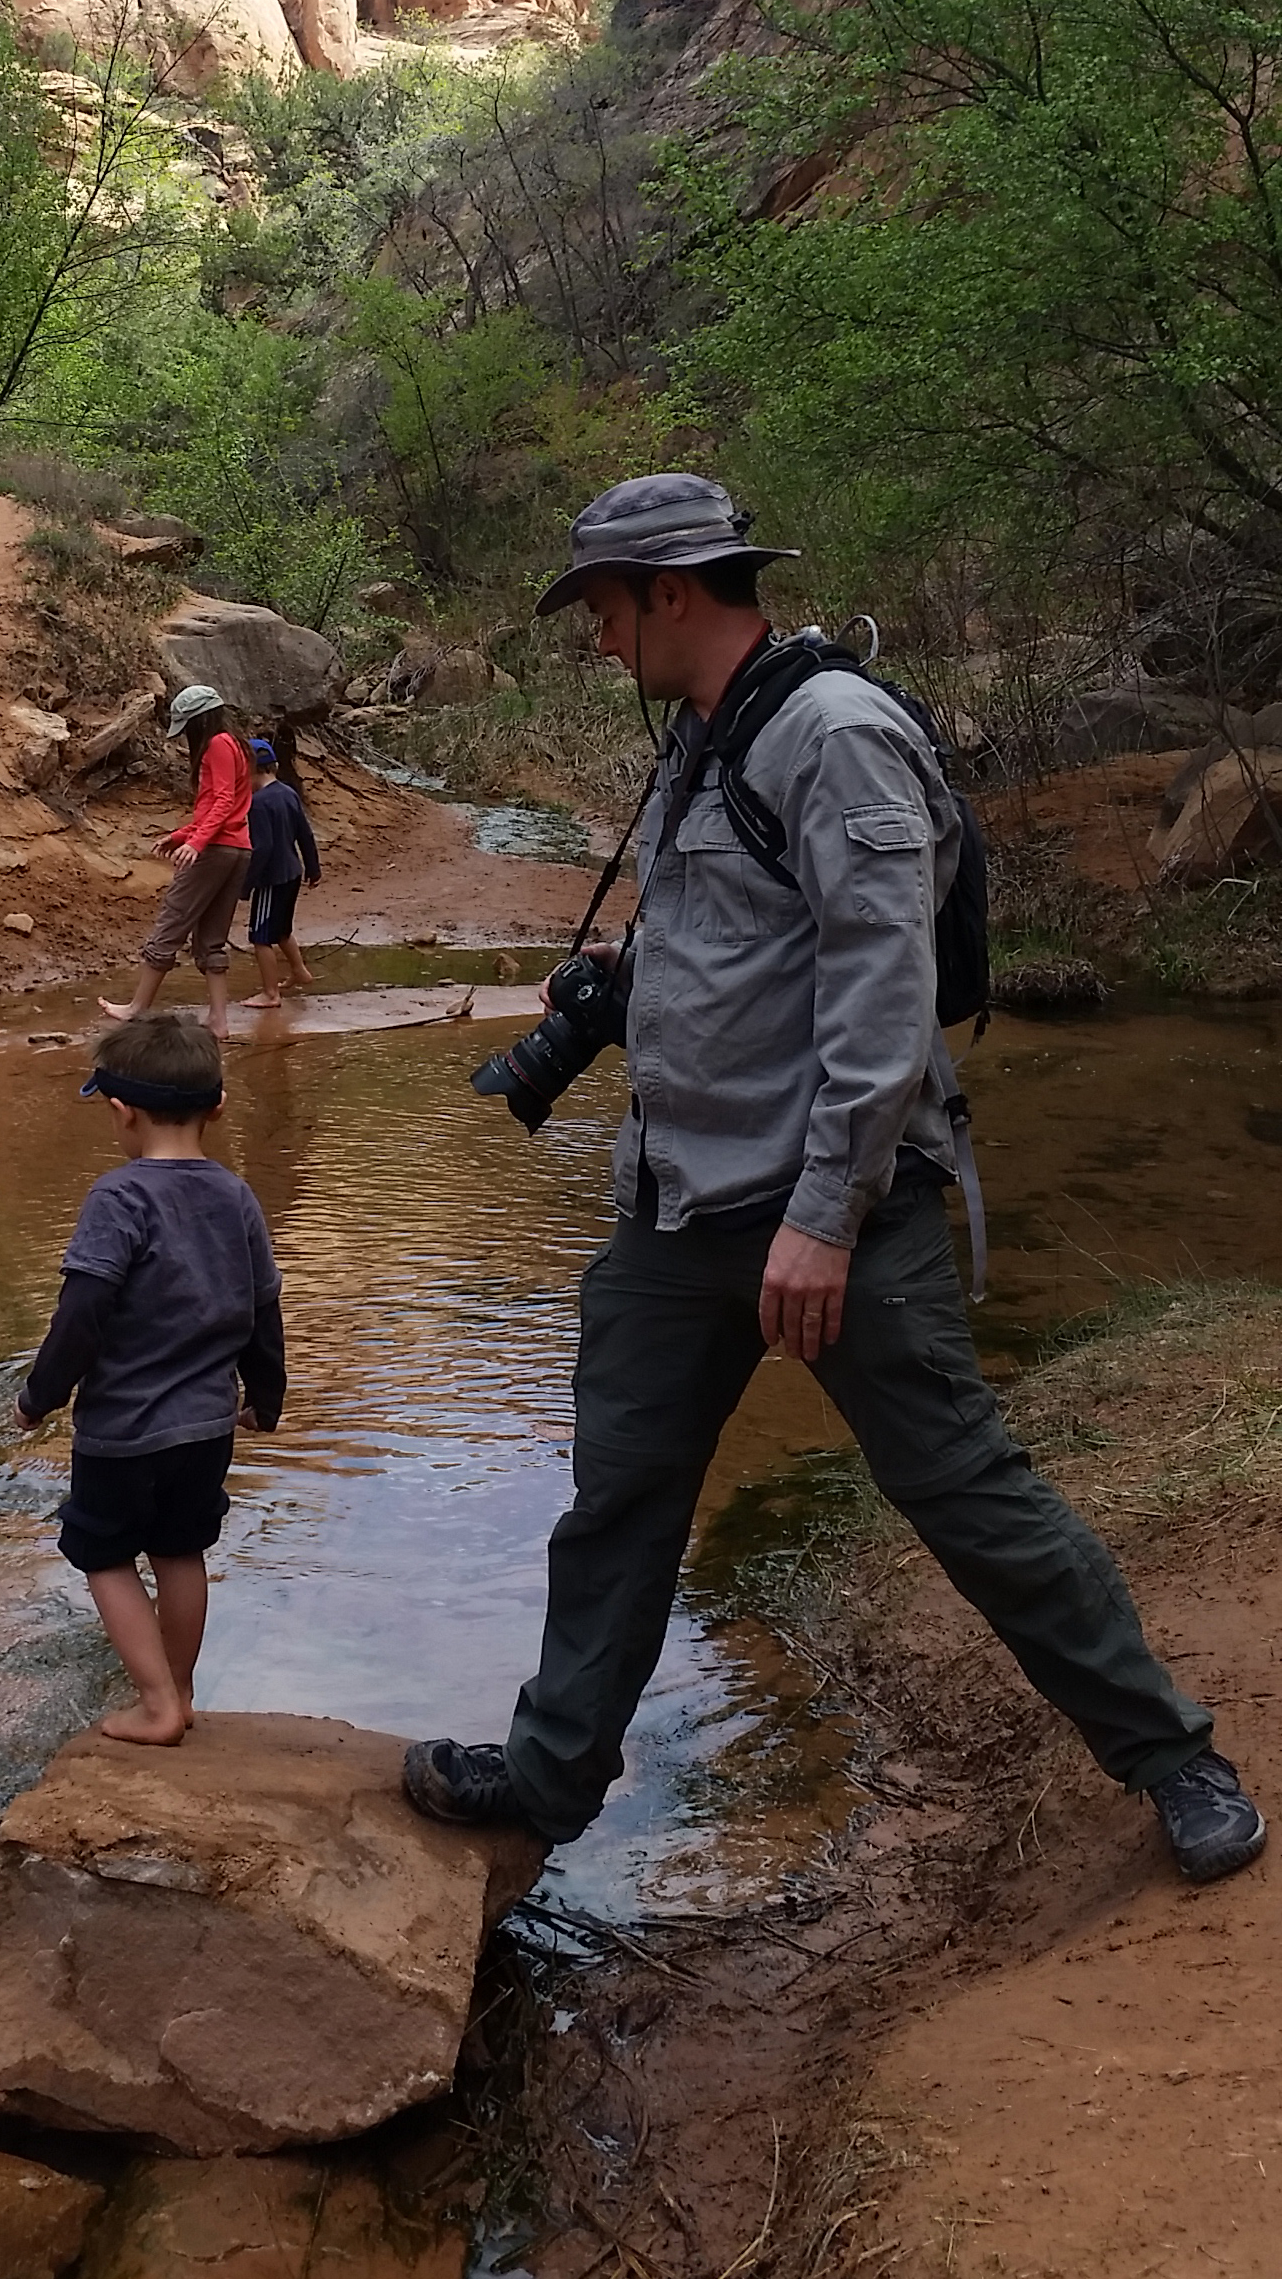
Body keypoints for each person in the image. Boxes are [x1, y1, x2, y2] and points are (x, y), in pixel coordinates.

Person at [405, 471, 1266, 1888]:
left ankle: (1174, 1760)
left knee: (970, 1496)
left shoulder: (835, 732)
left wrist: (820, 1221)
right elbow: (754, 944)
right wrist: (628, 982)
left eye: (604, 612)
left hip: (835, 1217)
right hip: (676, 1209)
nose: (595, 642)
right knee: (614, 1509)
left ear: (672, 594)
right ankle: (548, 1780)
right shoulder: (701, 733)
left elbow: (884, 997)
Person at [15, 1011, 286, 1743]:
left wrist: (40, 1397)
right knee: (180, 1551)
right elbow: (265, 1309)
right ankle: (183, 1691)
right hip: (205, 1426)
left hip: (122, 1430)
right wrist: (267, 1399)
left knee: (101, 1554)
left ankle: (157, 1702)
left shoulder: (118, 1198)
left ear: (120, 1111)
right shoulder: (237, 1197)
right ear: (219, 1106)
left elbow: (84, 1311)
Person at [99, 684, 251, 1043]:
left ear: (198, 722)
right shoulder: (238, 744)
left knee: (172, 921)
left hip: (216, 850)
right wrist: (182, 835)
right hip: (239, 850)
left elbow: (223, 800)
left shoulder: (216, 744)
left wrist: (196, 843)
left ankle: (137, 1008)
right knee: (212, 939)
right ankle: (218, 1020)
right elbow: (224, 804)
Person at [238, 739, 321, 1008]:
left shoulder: (258, 803)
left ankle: (270, 994)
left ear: (251, 770)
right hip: (293, 872)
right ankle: (299, 970)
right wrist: (313, 867)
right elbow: (305, 833)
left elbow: (262, 848)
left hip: (271, 877)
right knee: (282, 928)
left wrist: (247, 884)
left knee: (260, 937)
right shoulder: (288, 792)